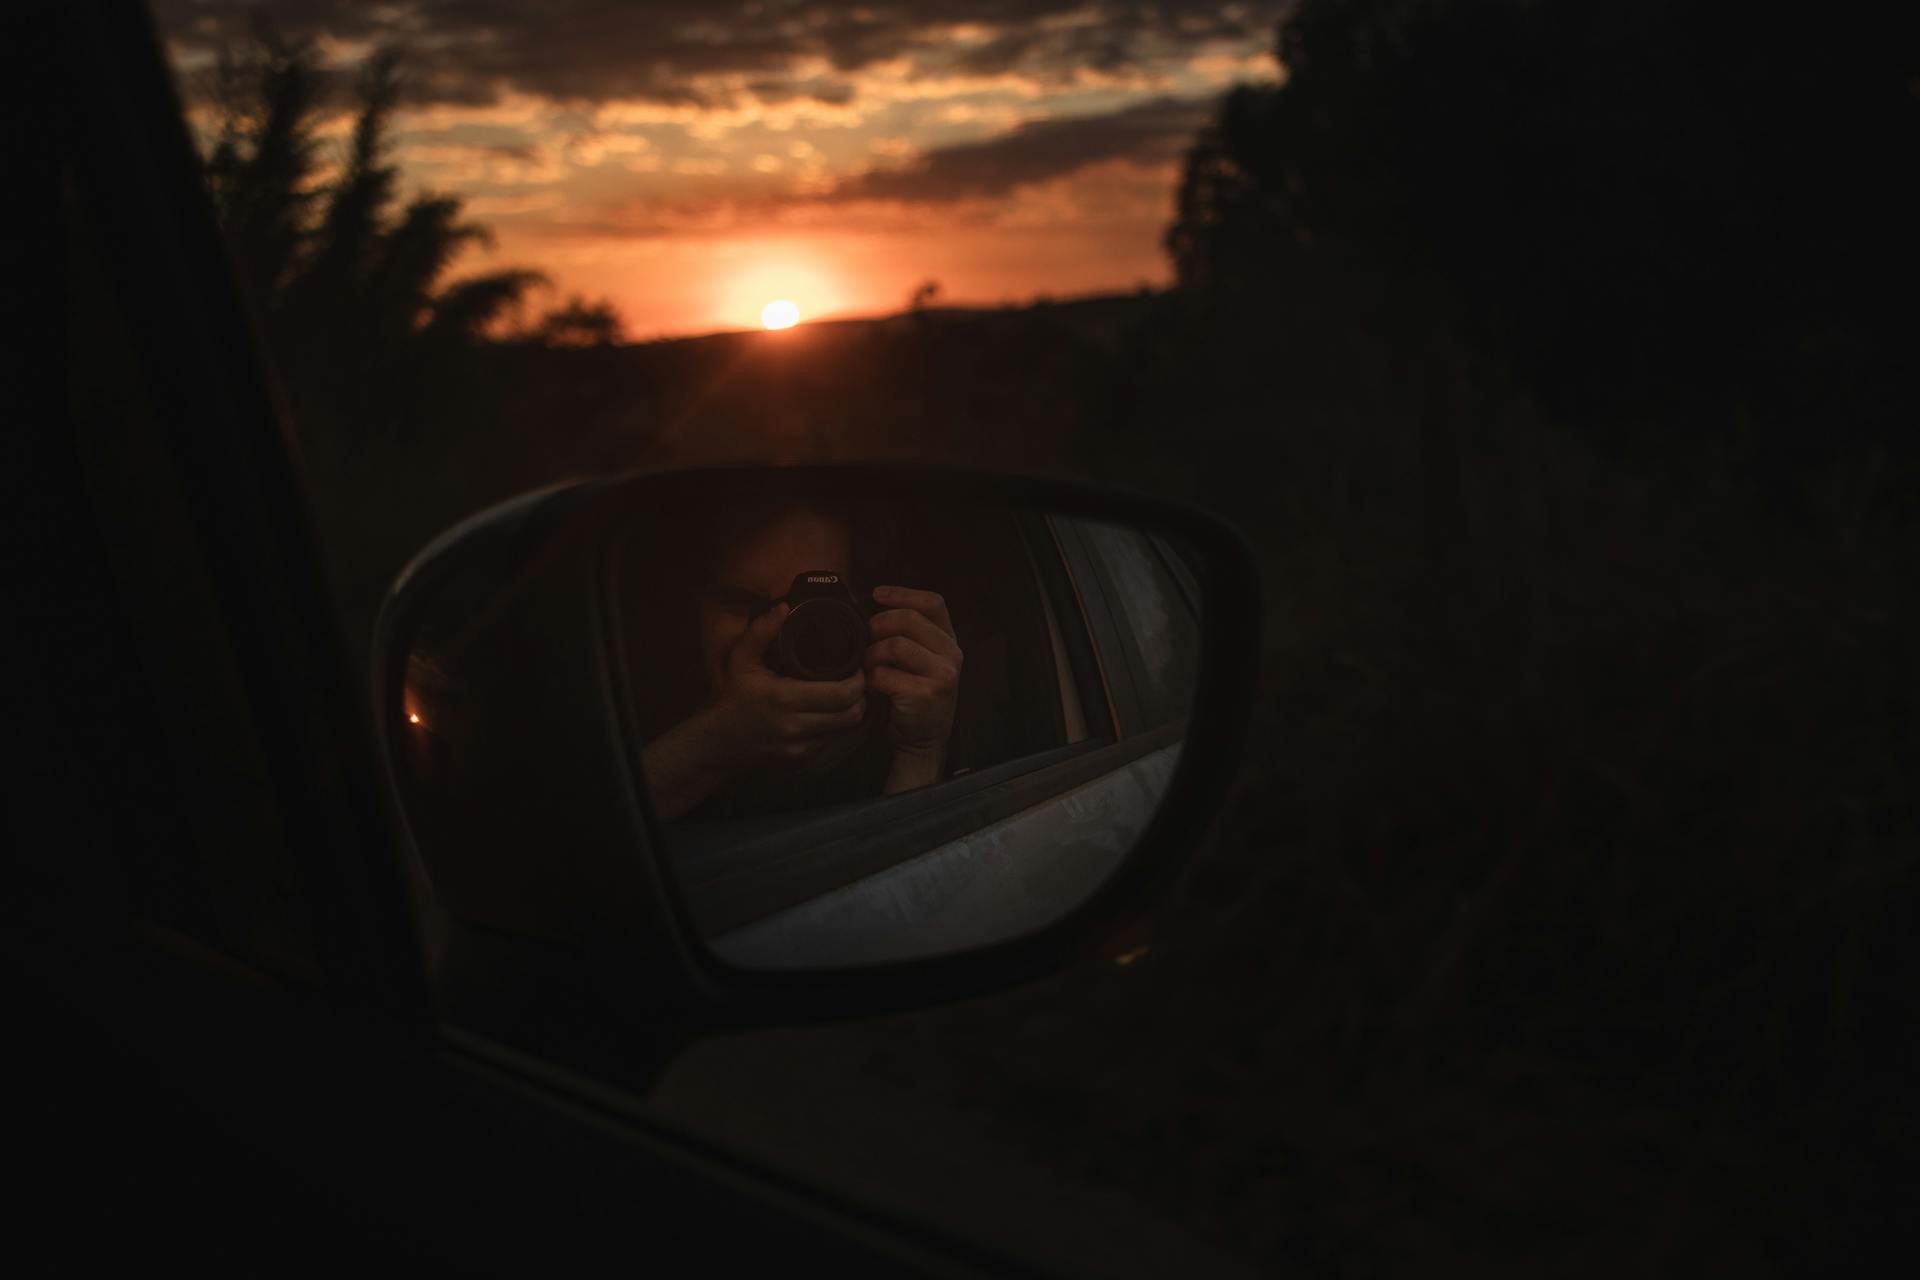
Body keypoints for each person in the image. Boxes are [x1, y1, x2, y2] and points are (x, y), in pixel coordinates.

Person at [638, 499, 963, 824]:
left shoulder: (894, 728)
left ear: (870, 620)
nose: (782, 630)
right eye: (742, 602)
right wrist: (713, 743)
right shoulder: (633, 715)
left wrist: (920, 752)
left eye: (813, 607)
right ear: (696, 612)